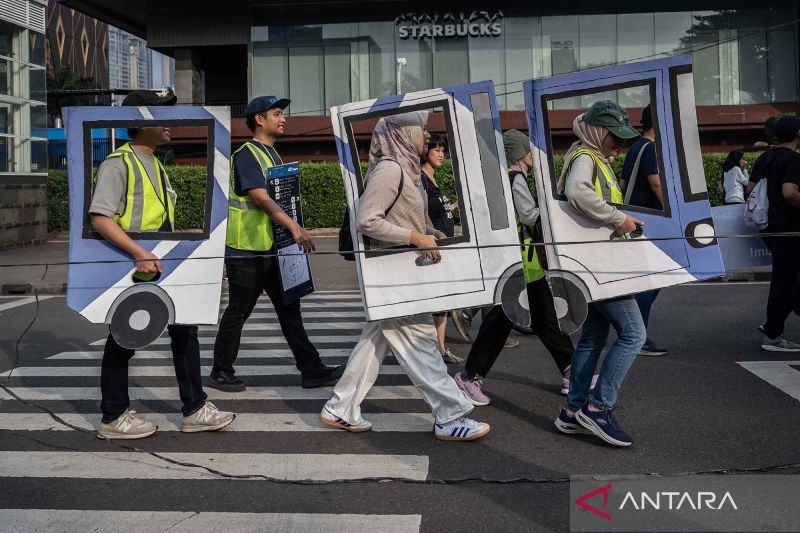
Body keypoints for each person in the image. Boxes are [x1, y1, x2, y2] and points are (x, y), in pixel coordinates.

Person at [321, 111, 490, 441]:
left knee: (375, 341)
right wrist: (415, 238)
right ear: (401, 132)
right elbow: (368, 221)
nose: (426, 134)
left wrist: (427, 231)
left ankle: (340, 408)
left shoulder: (406, 168)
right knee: (422, 344)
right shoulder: (390, 169)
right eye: (421, 128)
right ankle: (449, 415)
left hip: (398, 274)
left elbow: (405, 216)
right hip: (393, 275)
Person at [90, 89, 235, 439]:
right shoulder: (117, 163)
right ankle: (113, 417)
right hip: (132, 265)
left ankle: (195, 408)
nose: (169, 122)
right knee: (123, 337)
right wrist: (139, 252)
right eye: (161, 114)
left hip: (162, 264)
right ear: (140, 122)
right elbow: (100, 218)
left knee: (184, 330)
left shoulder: (156, 162)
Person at [209, 96, 343, 391]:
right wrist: (294, 227)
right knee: (238, 311)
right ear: (259, 119)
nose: (284, 119)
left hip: (272, 248)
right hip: (246, 250)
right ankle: (220, 371)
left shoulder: (272, 155)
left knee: (289, 308)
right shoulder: (247, 154)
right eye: (277, 114)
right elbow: (259, 196)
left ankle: (312, 370)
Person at [452, 129, 576, 405]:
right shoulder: (516, 177)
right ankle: (469, 376)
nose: (531, 156)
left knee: (544, 317)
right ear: (519, 154)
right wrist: (553, 210)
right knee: (503, 319)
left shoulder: (502, 179)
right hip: (520, 261)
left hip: (520, 261)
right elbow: (529, 216)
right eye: (528, 151)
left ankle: (571, 370)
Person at [552, 101, 646, 448]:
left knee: (593, 338)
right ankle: (598, 408)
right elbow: (578, 191)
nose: (620, 146)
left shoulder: (589, 155)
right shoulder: (587, 158)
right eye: (616, 138)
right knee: (634, 334)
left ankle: (571, 412)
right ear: (598, 132)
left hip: (590, 263)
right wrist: (617, 219)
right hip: (600, 266)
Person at [746, 115, 800, 352]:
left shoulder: (764, 158)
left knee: (785, 278)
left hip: (767, 227)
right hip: (791, 229)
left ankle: (772, 323)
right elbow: (790, 192)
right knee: (786, 281)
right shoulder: (794, 161)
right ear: (797, 134)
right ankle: (773, 333)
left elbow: (750, 190)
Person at [620, 104, 668, 357]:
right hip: (648, 222)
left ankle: (634, 331)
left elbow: (624, 183)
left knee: (648, 280)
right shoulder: (650, 148)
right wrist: (671, 215)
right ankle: (638, 335)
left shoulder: (635, 147)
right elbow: (656, 184)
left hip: (634, 220)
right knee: (650, 281)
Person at [420, 134, 463, 364]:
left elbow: (441, 210)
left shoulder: (433, 179)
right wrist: (432, 235)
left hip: (444, 245)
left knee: (443, 301)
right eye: (436, 149)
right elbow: (424, 212)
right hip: (433, 247)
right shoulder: (422, 179)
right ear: (425, 152)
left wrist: (456, 205)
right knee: (439, 300)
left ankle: (439, 348)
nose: (441, 153)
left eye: (442, 150)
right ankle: (438, 350)